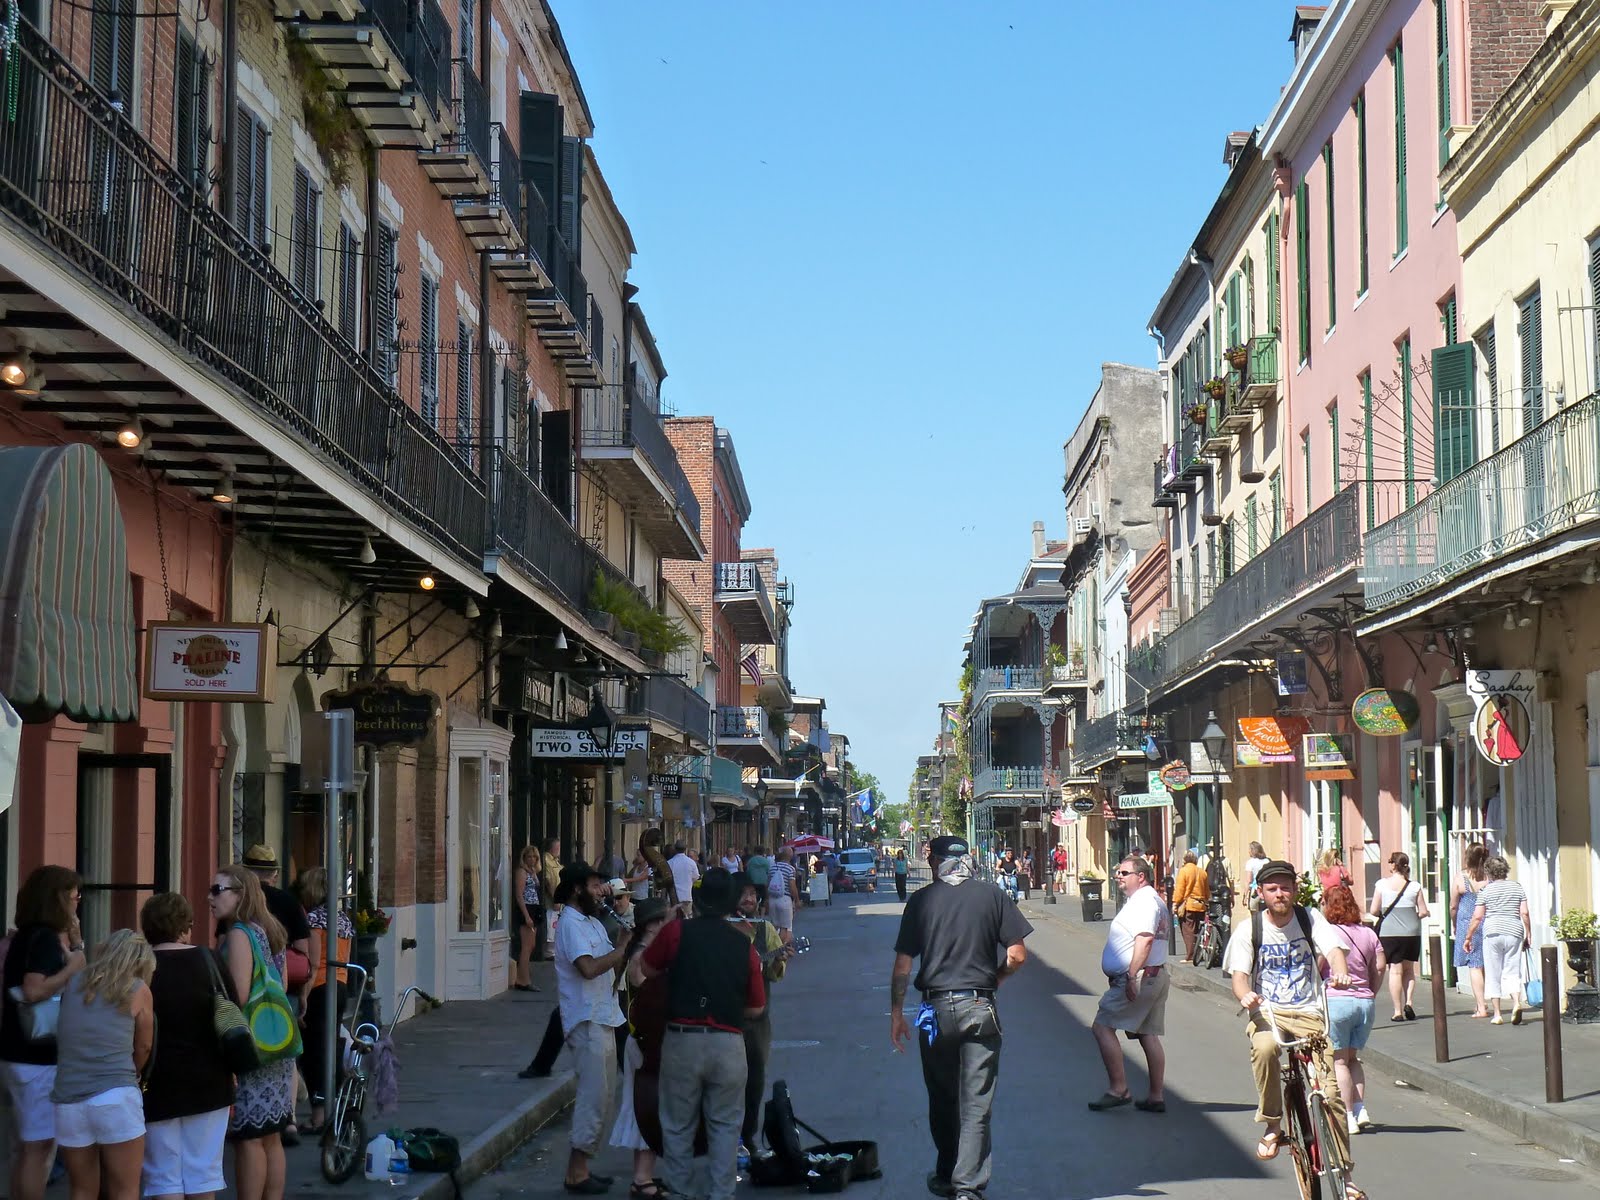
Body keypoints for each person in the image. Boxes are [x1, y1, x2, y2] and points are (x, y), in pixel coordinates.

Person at [890, 836, 1032, 1200]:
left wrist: (896, 1013)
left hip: (932, 1009)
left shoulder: (921, 901)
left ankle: (945, 1173)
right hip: (978, 1005)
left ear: (935, 862)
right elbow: (1017, 955)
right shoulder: (993, 896)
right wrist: (995, 979)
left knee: (941, 1095)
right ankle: (967, 1186)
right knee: (976, 1100)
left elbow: (903, 966)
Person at [1223, 859, 1362, 1199]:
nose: (1280, 893)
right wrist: (1246, 997)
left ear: (1295, 891)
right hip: (1268, 1012)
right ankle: (1273, 1125)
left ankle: (1344, 1178)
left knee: (1330, 1096)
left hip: (1310, 1013)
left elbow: (1334, 950)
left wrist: (1340, 972)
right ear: (1261, 893)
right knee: (1267, 1048)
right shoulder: (1249, 929)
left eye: (1285, 887)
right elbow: (1239, 978)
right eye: (1272, 888)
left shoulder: (1308, 918)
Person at [640, 869, 764, 1200]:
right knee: (725, 1126)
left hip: (683, 1038)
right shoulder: (744, 944)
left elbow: (646, 969)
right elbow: (755, 1009)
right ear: (729, 903)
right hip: (727, 1042)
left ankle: (680, 1193)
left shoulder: (676, 932)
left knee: (678, 1125)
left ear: (697, 899)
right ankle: (721, 1194)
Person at [140, 892, 235, 1200]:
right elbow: (231, 1011)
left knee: (162, 1174)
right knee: (204, 1172)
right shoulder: (209, 960)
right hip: (209, 1076)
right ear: (185, 925)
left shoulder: (141, 966)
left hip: (156, 1079)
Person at [1, 866, 85, 1200]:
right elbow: (34, 990)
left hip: (17, 1050)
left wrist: (77, 945)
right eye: (75, 898)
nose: (77, 905)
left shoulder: (26, 935)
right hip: (36, 1056)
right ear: (59, 899)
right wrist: (72, 967)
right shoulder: (44, 939)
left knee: (26, 1147)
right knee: (38, 1148)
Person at [212, 863, 295, 1200]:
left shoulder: (238, 934)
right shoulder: (269, 929)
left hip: (252, 1047)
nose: (210, 898)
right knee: (271, 1134)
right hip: (276, 1042)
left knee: (248, 1136)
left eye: (218, 891)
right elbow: (283, 983)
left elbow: (239, 996)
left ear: (241, 894)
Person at [52, 929, 154, 1200]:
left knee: (82, 1190)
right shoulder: (137, 988)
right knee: (125, 1189)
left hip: (69, 1098)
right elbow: (144, 1045)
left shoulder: (74, 983)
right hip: (116, 1094)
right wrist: (134, 1071)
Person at [556, 867, 634, 1192]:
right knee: (592, 1097)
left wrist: (626, 941)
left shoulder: (591, 922)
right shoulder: (570, 924)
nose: (600, 891)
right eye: (593, 886)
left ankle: (583, 1167)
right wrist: (620, 952)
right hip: (585, 1019)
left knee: (604, 1097)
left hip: (604, 1014)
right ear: (576, 890)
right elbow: (587, 968)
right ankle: (575, 1173)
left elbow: (610, 967)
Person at [1087, 857, 1171, 1112]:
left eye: (1124, 872)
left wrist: (1132, 976)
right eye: (1117, 872)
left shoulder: (1145, 902)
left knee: (1102, 1027)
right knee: (1148, 1034)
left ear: (1141, 876)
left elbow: (1144, 940)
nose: (1118, 876)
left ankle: (1119, 1088)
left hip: (1141, 976)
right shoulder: (1150, 900)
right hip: (1155, 975)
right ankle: (1156, 1096)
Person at [241, 846, 309, 1148]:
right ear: (275, 873)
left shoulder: (240, 908)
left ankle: (254, 1114)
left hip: (249, 992)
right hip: (282, 991)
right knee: (286, 1055)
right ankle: (288, 1118)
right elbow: (305, 952)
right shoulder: (288, 902)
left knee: (250, 1057)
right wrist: (304, 992)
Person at [610, 898, 672, 1199]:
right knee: (645, 1110)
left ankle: (643, 1175)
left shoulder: (646, 952)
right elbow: (645, 988)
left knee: (648, 1108)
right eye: (663, 922)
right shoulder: (641, 956)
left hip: (647, 1040)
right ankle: (641, 1178)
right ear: (651, 925)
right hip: (643, 1041)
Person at [730, 872, 792, 1157]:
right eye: (743, 894)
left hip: (756, 1020)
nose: (749, 899)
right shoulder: (723, 928)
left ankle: (748, 1137)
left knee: (754, 1080)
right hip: (725, 1019)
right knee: (726, 1081)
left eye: (753, 894)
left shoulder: (765, 929)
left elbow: (774, 975)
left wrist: (778, 959)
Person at [1320, 884, 1384, 1136]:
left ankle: (1347, 1115)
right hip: (1364, 1002)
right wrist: (1371, 991)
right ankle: (1360, 1108)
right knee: (1353, 1058)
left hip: (1337, 1000)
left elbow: (1319, 964)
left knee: (1338, 1061)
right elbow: (1380, 965)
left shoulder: (1329, 933)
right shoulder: (1368, 934)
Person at [294, 867, 353, 1133]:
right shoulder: (343, 920)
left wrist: (303, 998)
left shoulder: (316, 920)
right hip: (340, 987)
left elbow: (315, 963)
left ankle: (319, 1115)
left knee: (313, 1051)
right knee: (330, 1046)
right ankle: (335, 1106)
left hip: (319, 988)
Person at [1464, 855, 1532, 1025]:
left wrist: (1468, 936)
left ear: (1489, 872)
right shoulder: (1517, 887)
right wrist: (1528, 933)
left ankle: (1497, 1014)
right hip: (1514, 931)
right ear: (1505, 870)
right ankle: (1516, 1003)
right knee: (1512, 970)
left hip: (1492, 932)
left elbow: (1478, 916)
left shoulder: (1486, 891)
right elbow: (1524, 912)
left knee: (1493, 972)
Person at [1369, 851, 1428, 1021]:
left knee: (1395, 971)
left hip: (1389, 933)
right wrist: (1413, 916)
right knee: (1409, 970)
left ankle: (1397, 1011)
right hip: (1411, 932)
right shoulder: (1414, 886)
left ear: (1393, 865)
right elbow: (1422, 911)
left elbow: (1374, 910)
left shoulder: (1382, 885)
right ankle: (1409, 1001)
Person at [1451, 843, 1489, 1018]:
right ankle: (1482, 1002)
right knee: (1483, 963)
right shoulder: (1489, 877)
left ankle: (1481, 1006)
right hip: (1486, 921)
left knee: (1474, 966)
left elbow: (1453, 905)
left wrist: (1454, 922)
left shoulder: (1461, 877)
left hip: (1468, 923)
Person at [514, 845, 546, 991]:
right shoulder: (521, 872)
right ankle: (523, 980)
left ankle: (523, 977)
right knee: (526, 947)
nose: (532, 860)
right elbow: (519, 895)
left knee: (531, 945)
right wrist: (526, 915)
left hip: (534, 908)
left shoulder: (533, 872)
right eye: (529, 857)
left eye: (535, 857)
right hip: (526, 908)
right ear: (524, 858)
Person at [1171, 849, 1211, 964]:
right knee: (1198, 930)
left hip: (1188, 905)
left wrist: (1175, 903)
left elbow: (1180, 890)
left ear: (1185, 860)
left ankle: (1190, 955)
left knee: (1188, 930)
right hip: (1201, 905)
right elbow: (1207, 891)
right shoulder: (1202, 872)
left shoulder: (1184, 871)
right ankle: (1199, 952)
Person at [767, 847, 800, 939]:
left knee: (774, 926)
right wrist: (797, 900)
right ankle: (781, 949)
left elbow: (768, 884)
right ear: (790, 855)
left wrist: (766, 900)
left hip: (772, 899)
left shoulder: (772, 868)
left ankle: (774, 946)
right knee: (785, 927)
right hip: (784, 899)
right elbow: (792, 886)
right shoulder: (790, 869)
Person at [667, 844, 700, 917]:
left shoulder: (670, 862)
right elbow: (696, 877)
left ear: (675, 849)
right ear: (685, 849)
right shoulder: (691, 862)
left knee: (673, 918)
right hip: (686, 895)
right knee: (687, 917)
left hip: (673, 896)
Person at [1243, 842, 1269, 912]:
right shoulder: (1267, 861)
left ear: (1252, 851)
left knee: (1254, 912)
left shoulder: (1250, 862)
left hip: (1255, 891)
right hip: (1265, 890)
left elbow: (1249, 880)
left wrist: (1245, 896)